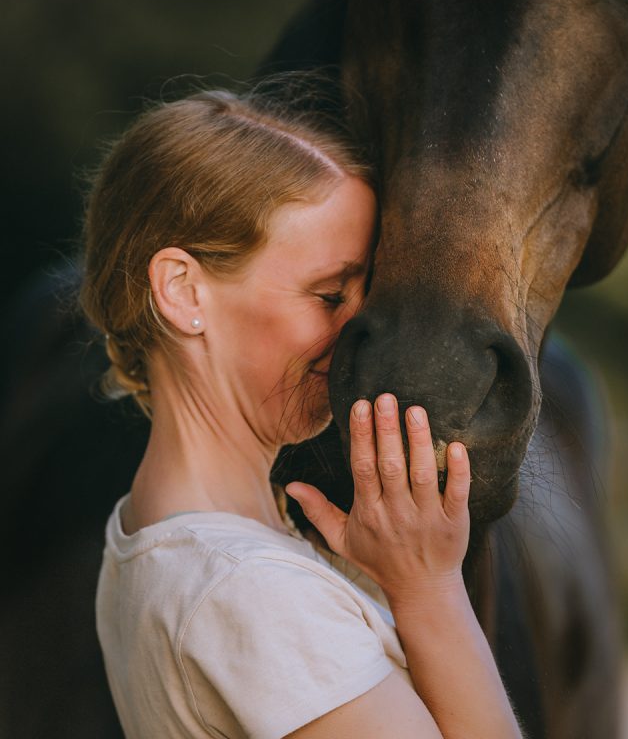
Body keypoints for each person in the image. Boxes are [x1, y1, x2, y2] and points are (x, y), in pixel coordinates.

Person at [80, 89, 524, 738]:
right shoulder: (249, 593)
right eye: (329, 295)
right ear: (181, 291)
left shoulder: (149, 537)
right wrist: (429, 593)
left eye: (364, 293)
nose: (357, 332)